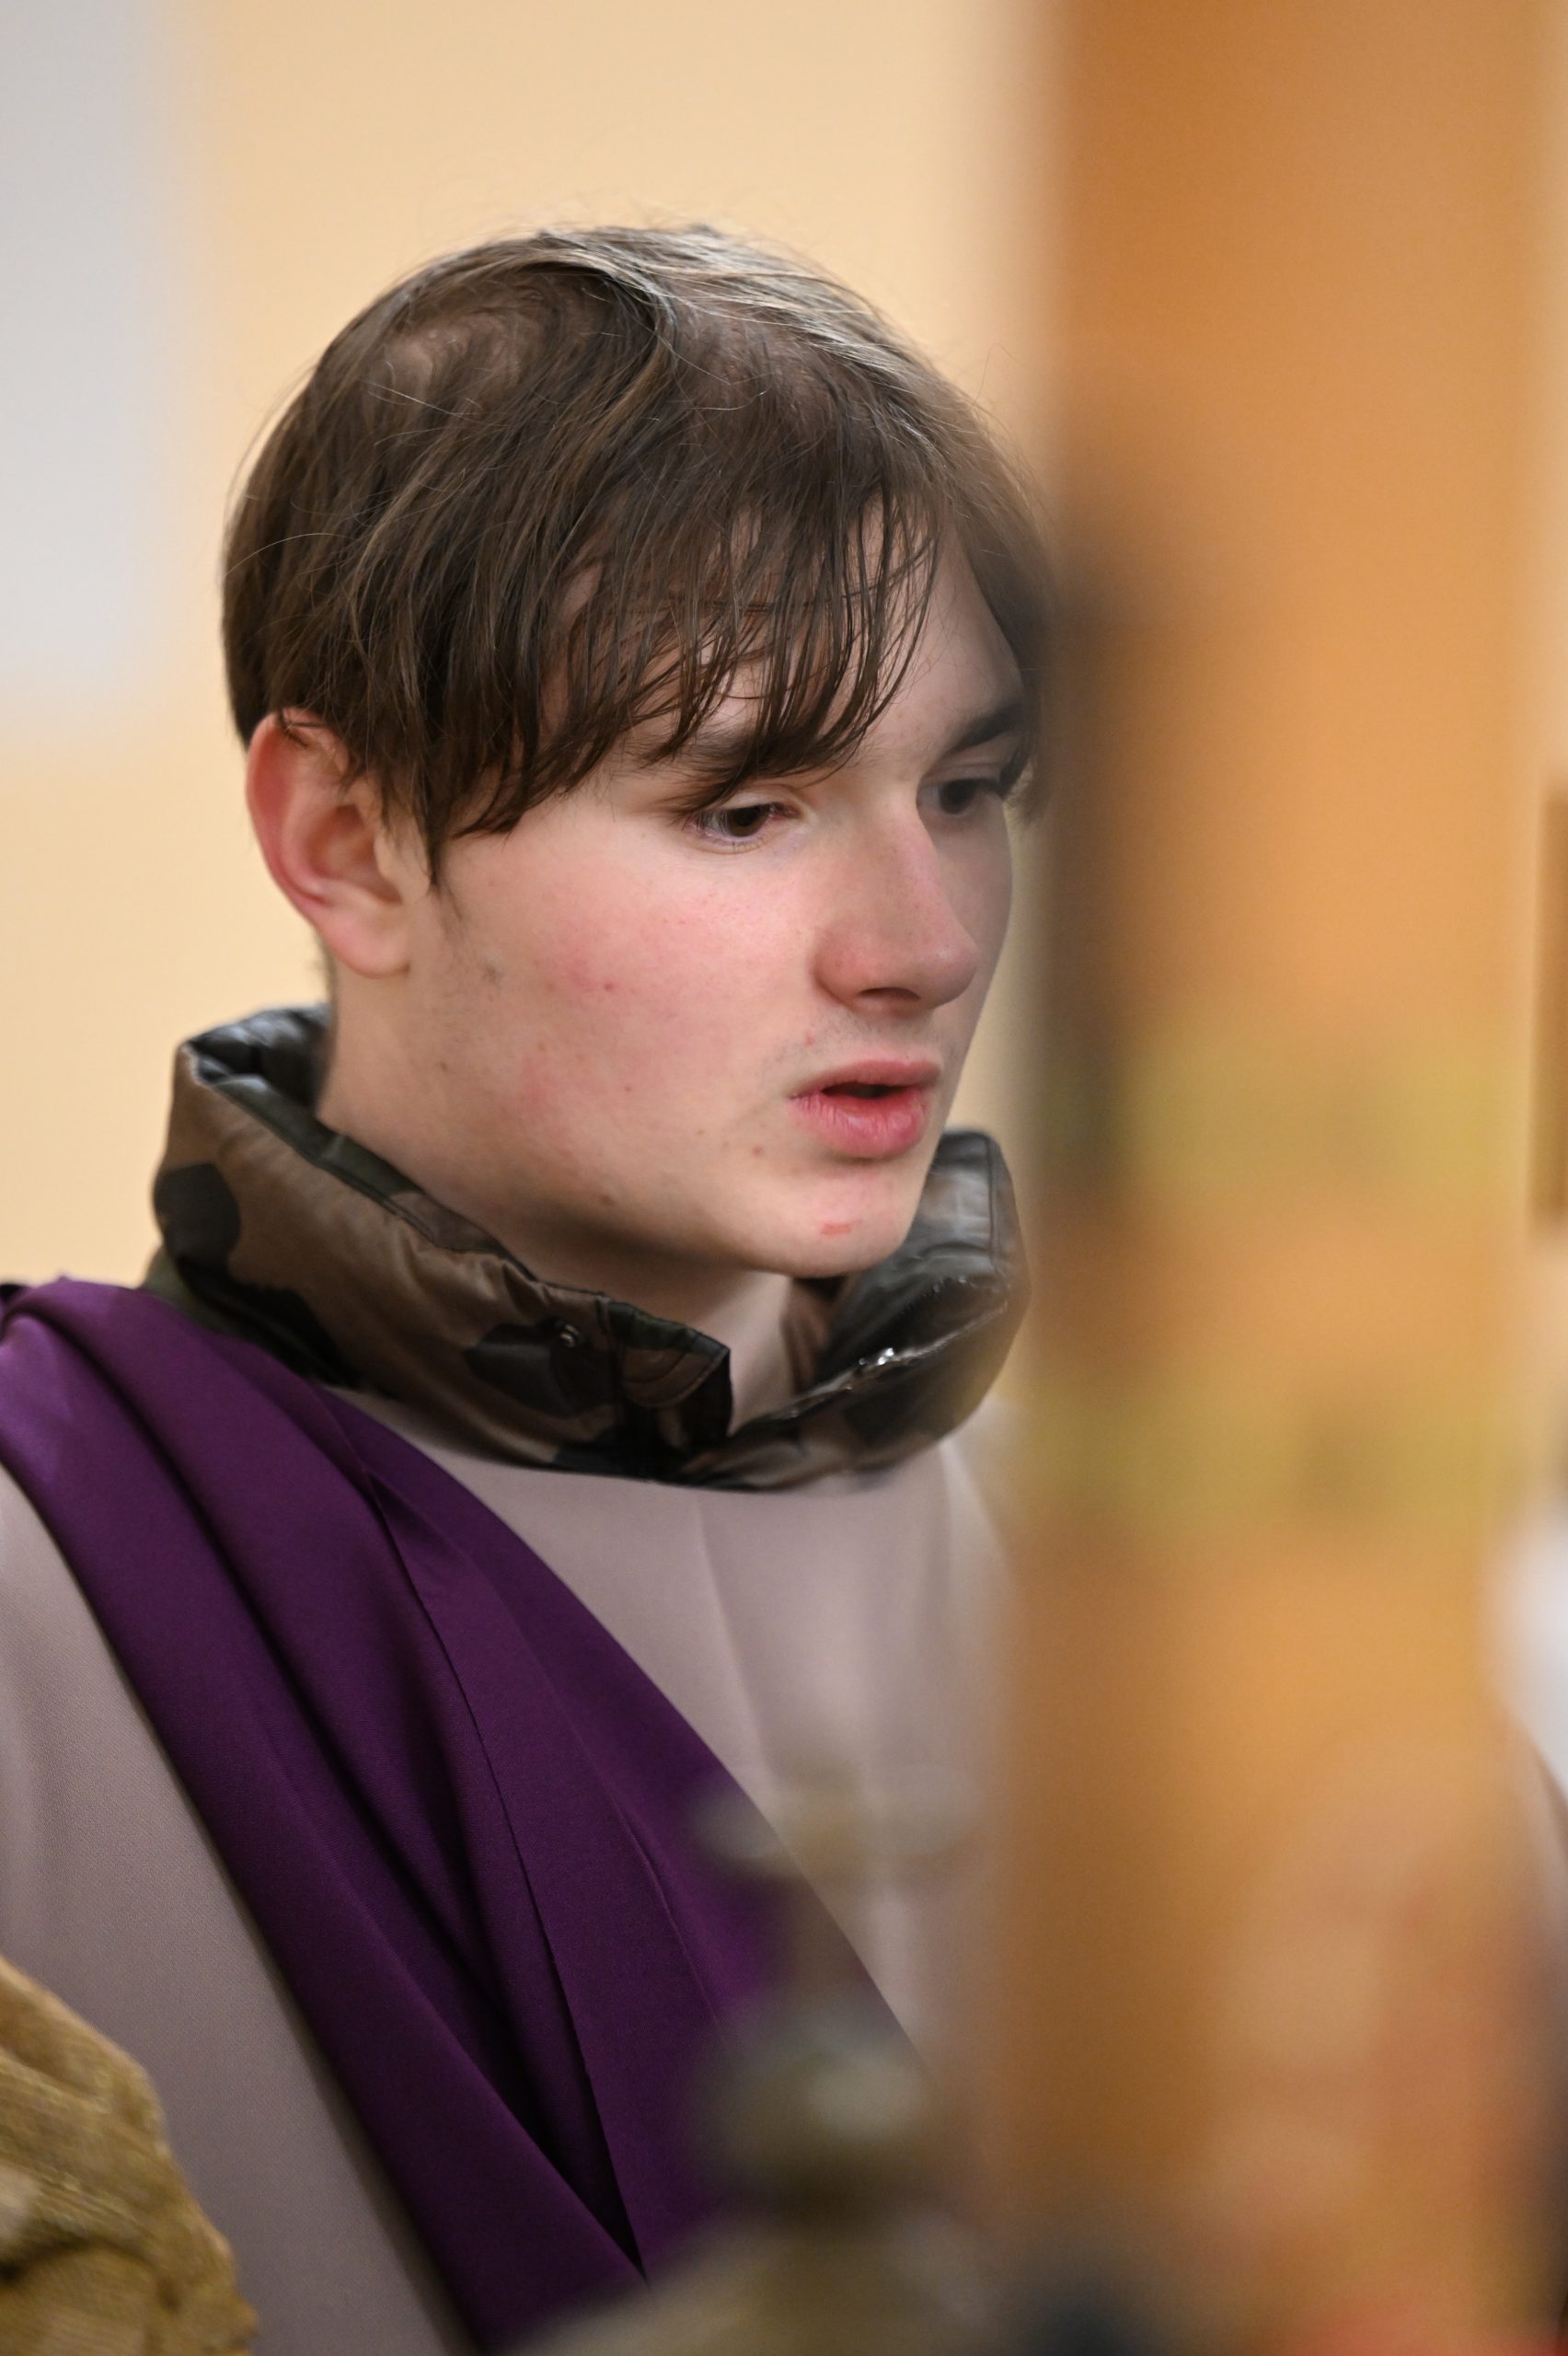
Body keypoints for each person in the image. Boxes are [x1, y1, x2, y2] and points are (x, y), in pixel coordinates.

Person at [0, 225, 1048, 2353]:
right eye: (745, 805)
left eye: (967, 788)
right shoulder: (43, 1571)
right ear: (347, 841)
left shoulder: (1184, 1590)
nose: (924, 940)